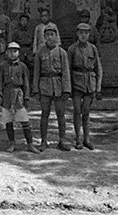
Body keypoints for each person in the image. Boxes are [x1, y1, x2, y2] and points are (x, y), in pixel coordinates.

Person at [32, 23, 71, 152]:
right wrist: (36, 89)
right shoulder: (39, 52)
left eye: (52, 35)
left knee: (61, 114)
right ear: (43, 36)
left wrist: (67, 89)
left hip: (59, 86)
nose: (49, 37)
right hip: (44, 86)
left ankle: (62, 140)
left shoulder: (62, 52)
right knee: (45, 114)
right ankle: (43, 141)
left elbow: (66, 72)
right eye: (47, 35)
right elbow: (36, 72)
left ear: (56, 36)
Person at [0, 42, 38, 153]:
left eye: (15, 51)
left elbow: (26, 84)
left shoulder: (23, 67)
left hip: (18, 95)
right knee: (8, 120)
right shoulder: (3, 65)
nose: (12, 54)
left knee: (24, 120)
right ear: (7, 53)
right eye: (10, 51)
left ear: (19, 53)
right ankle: (12, 143)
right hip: (6, 95)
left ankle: (30, 144)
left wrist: (27, 98)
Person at [67, 23, 103, 150]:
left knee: (86, 111)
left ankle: (87, 138)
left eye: (86, 33)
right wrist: (68, 87)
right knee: (77, 111)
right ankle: (78, 139)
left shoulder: (93, 48)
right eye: (81, 33)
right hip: (76, 83)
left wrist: (98, 88)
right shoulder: (72, 49)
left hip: (90, 83)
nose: (83, 35)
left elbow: (98, 68)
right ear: (77, 34)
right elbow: (68, 70)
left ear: (89, 34)